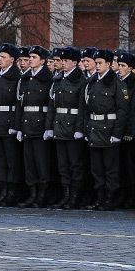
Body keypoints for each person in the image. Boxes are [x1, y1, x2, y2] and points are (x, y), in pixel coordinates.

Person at [82, 49, 130, 210]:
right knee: (97, 168)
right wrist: (87, 130)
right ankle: (100, 197)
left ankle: (110, 198)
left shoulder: (117, 83)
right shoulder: (93, 82)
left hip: (109, 130)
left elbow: (123, 111)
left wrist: (117, 134)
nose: (96, 66)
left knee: (110, 168)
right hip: (95, 129)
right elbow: (87, 108)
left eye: (100, 63)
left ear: (108, 64)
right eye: (96, 63)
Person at [15, 45, 54, 207]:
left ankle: (43, 194)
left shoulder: (48, 78)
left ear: (43, 61)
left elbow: (51, 105)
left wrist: (48, 127)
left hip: (40, 125)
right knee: (29, 162)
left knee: (41, 162)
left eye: (34, 57)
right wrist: (18, 127)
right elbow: (20, 104)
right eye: (29, 57)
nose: (30, 60)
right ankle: (32, 194)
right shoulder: (25, 78)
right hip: (27, 124)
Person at [49, 47, 86, 209]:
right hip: (59, 125)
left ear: (75, 63)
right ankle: (66, 194)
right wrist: (49, 127)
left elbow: (82, 107)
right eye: (61, 61)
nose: (62, 64)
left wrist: (79, 128)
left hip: (73, 127)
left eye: (66, 61)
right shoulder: (58, 79)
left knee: (75, 164)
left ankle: (75, 195)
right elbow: (52, 105)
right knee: (63, 164)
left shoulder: (81, 81)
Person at [0, 43, 23, 206]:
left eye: (3, 57)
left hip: (9, 122)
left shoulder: (17, 77)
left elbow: (18, 103)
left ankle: (12, 191)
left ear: (12, 60)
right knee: (0, 159)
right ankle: (3, 190)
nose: (0, 60)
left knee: (11, 160)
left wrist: (15, 125)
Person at [117, 51, 135, 208]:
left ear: (130, 68)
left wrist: (129, 132)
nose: (120, 68)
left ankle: (131, 196)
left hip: (128, 133)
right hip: (117, 130)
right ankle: (123, 195)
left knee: (130, 167)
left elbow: (131, 111)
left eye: (123, 66)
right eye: (119, 65)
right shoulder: (118, 81)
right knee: (120, 167)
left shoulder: (132, 83)